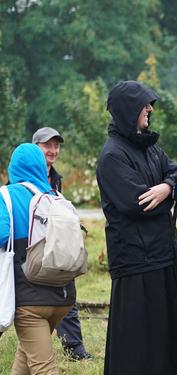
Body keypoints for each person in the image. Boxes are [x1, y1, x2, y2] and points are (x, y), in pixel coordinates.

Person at [97, 80, 177, 375]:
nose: (149, 109)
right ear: (127, 110)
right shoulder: (112, 156)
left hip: (166, 254)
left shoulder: (151, 147)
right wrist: (168, 189)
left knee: (176, 336)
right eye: (144, 105)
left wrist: (167, 186)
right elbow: (139, 203)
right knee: (140, 348)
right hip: (136, 263)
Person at [1, 143, 76, 374]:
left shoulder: (6, 196)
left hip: (30, 301)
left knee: (43, 368)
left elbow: (3, 236)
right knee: (26, 357)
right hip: (62, 299)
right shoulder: (55, 197)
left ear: (15, 167)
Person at [31, 127, 93, 361]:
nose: (53, 150)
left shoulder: (56, 179)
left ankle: (74, 349)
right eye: (47, 145)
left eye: (56, 146)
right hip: (30, 247)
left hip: (55, 245)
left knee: (66, 289)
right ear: (35, 147)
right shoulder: (22, 176)